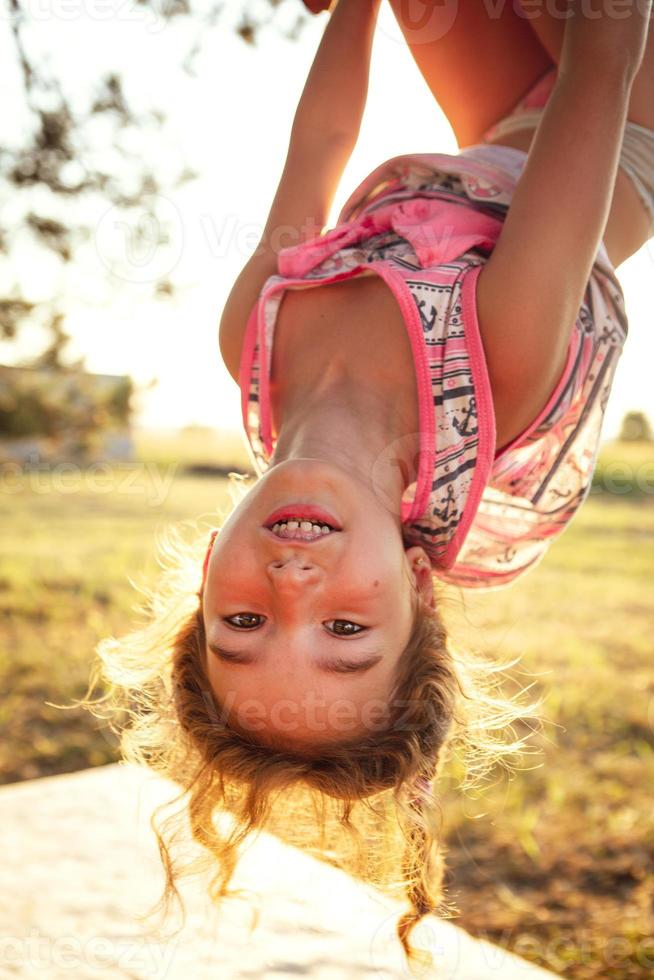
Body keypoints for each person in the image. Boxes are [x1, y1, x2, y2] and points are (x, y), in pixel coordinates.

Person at [89, 0, 653, 968]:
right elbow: (603, 63)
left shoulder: (250, 345)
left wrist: (353, 6)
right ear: (416, 590)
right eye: (346, 634)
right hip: (628, 122)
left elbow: (321, 142)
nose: (293, 589)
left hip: (497, 123)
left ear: (202, 589)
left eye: (244, 626)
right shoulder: (496, 369)